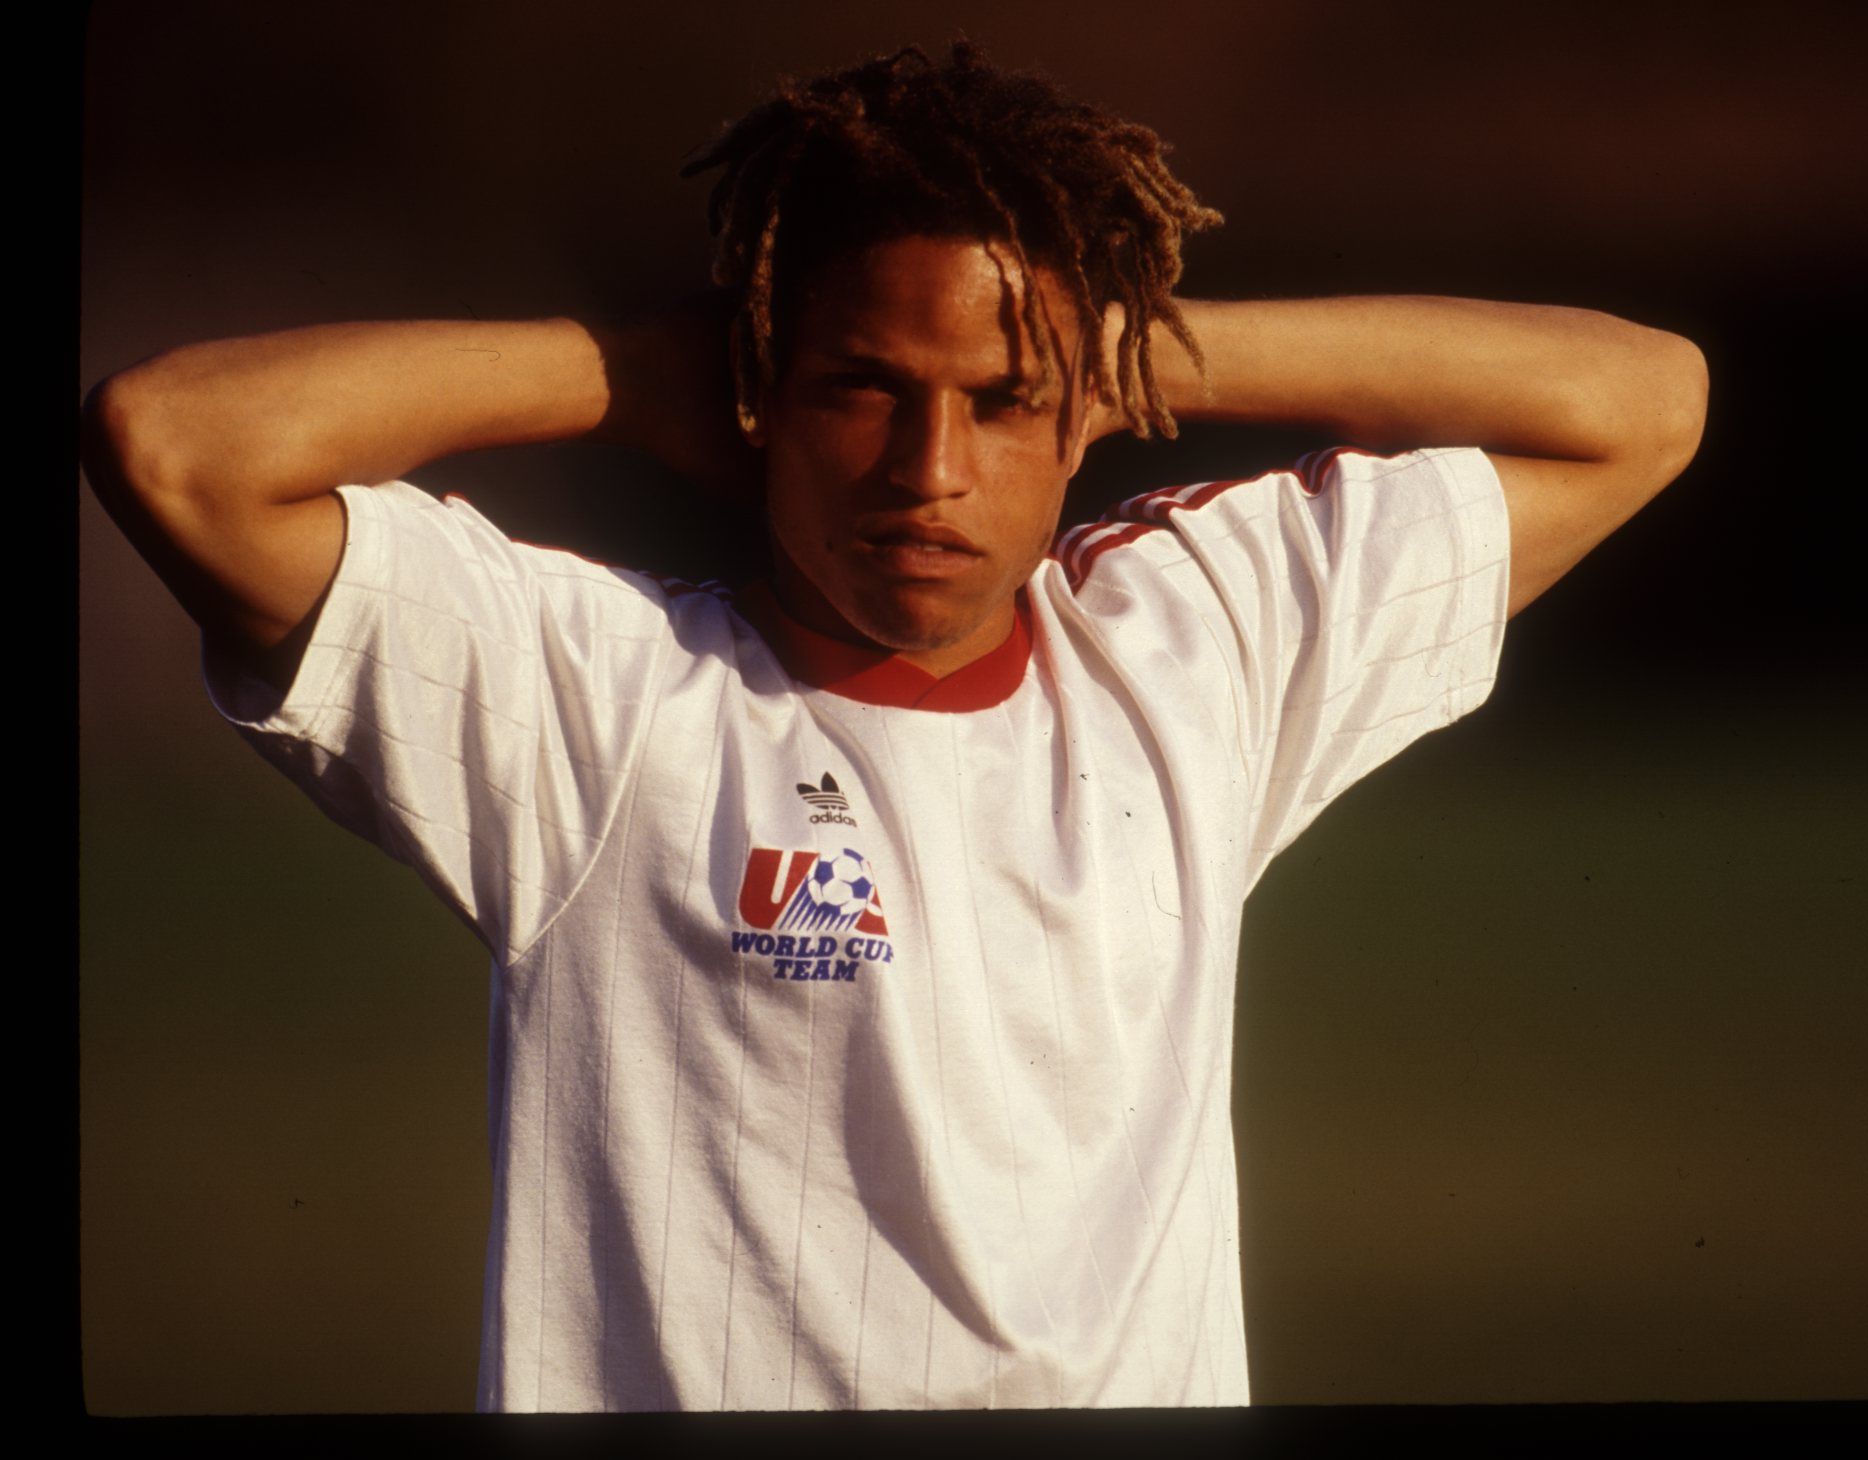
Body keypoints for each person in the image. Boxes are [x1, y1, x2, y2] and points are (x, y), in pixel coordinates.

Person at [80, 41, 1706, 1411]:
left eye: (1004, 401)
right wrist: (635, 373)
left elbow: (1642, 403)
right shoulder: (588, 697)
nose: (928, 471)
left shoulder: (1200, 647)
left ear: (1089, 420)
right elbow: (174, 445)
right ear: (761, 393)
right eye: (862, 386)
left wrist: (1124, 338)